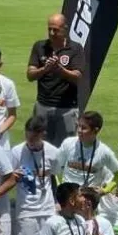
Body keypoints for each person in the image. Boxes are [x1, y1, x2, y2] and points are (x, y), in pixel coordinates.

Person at [10, 115, 60, 235]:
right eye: (27, 136)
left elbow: (55, 177)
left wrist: (57, 202)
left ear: (42, 134)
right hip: (26, 211)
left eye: (34, 137)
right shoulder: (17, 152)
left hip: (48, 209)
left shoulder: (53, 152)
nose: (29, 141)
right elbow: (10, 178)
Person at [27, 13, 84, 147]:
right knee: (39, 145)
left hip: (67, 108)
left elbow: (78, 77)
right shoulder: (40, 47)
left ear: (65, 29)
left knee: (66, 147)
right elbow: (30, 75)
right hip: (43, 106)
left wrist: (60, 70)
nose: (52, 33)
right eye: (49, 29)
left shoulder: (75, 49)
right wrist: (45, 69)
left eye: (56, 30)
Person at [57, 111, 118, 189]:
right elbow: (54, 167)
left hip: (88, 198)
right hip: (67, 196)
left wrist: (105, 191)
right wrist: (58, 187)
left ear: (95, 130)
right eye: (78, 126)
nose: (79, 130)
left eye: (84, 128)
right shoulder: (68, 143)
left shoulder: (104, 152)